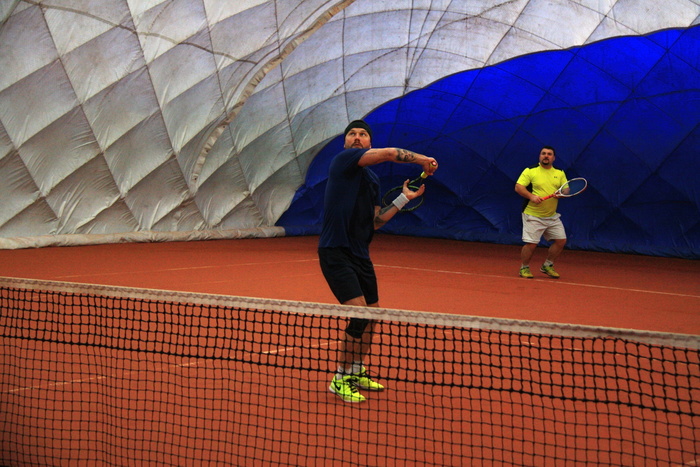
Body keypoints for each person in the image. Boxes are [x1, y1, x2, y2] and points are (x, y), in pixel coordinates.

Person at [319, 119, 438, 403]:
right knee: (360, 314)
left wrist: (402, 199)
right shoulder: (343, 161)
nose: (357, 137)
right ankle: (340, 378)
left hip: (361, 254)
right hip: (335, 250)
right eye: (352, 134)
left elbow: (375, 222)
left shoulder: (372, 180)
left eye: (363, 134)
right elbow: (390, 154)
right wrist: (423, 160)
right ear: (345, 143)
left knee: (372, 316)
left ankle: (356, 369)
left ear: (369, 141)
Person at [515, 146, 568, 279]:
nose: (546, 156)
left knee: (561, 241)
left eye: (549, 154)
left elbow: (566, 189)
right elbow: (518, 187)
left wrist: (561, 193)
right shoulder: (530, 170)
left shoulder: (560, 172)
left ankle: (547, 265)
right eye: (543, 153)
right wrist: (531, 196)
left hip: (551, 216)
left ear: (553, 158)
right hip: (532, 214)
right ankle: (524, 267)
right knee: (532, 244)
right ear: (540, 156)